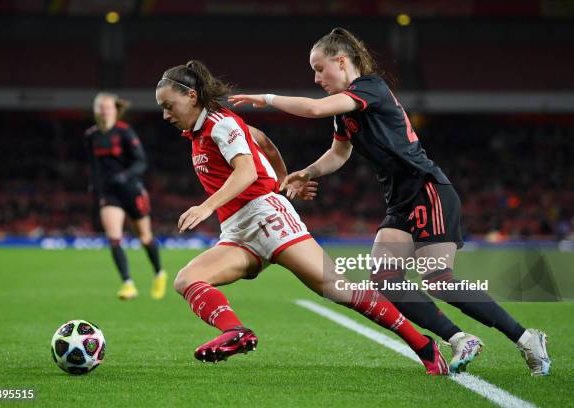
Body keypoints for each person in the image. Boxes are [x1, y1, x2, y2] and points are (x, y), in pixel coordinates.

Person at [228, 27, 551, 376]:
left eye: (320, 69)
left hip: (426, 188)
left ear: (342, 61)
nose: (317, 77)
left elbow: (312, 108)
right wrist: (308, 172)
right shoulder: (345, 111)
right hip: (400, 200)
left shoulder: (370, 87)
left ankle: (526, 338)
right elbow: (339, 153)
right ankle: (458, 338)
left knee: (438, 278)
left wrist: (267, 99)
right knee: (384, 280)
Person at [155, 59, 450, 375]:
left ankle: (423, 344)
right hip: (238, 231)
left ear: (192, 96)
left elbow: (246, 170)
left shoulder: (220, 123)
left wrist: (207, 207)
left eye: (169, 105)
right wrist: (285, 181)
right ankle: (236, 332)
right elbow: (262, 141)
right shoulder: (205, 130)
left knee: (339, 290)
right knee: (187, 279)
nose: (165, 115)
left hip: (267, 218)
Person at [84, 92, 167, 301]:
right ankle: (128, 284)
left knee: (144, 237)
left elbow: (141, 161)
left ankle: (159, 273)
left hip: (131, 189)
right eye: (99, 107)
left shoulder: (124, 132)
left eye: (107, 107)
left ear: (114, 110)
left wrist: (125, 176)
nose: (103, 111)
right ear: (95, 111)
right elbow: (93, 165)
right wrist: (94, 184)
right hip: (109, 193)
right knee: (114, 237)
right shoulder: (91, 136)